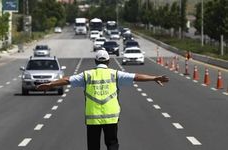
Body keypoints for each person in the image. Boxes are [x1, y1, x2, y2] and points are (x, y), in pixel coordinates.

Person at [36, 50, 169, 150]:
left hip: (93, 117)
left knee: (93, 146)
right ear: (108, 61)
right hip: (111, 117)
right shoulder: (115, 74)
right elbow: (136, 77)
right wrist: (154, 78)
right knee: (112, 144)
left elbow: (67, 80)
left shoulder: (87, 75)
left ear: (95, 61)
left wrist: (50, 84)